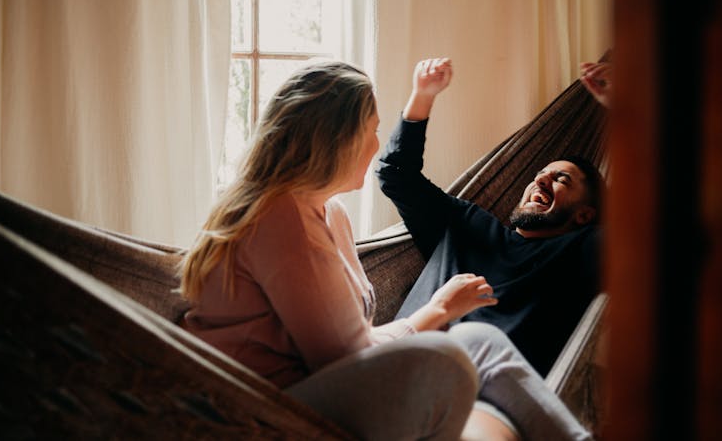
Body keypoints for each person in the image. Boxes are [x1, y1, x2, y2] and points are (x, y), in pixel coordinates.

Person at [178, 61, 593, 440]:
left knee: (475, 338)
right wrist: (438, 311)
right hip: (260, 405)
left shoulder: (331, 215)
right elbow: (342, 355)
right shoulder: (280, 215)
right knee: (448, 357)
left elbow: (347, 347)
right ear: (337, 140)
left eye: (561, 180)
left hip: (343, 377)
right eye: (372, 131)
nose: (376, 145)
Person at [378, 57, 609, 378]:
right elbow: (396, 173)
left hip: (484, 398)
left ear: (585, 215)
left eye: (561, 179)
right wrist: (423, 95)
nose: (541, 180)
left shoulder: (582, 252)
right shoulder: (466, 224)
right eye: (540, 173)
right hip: (396, 368)